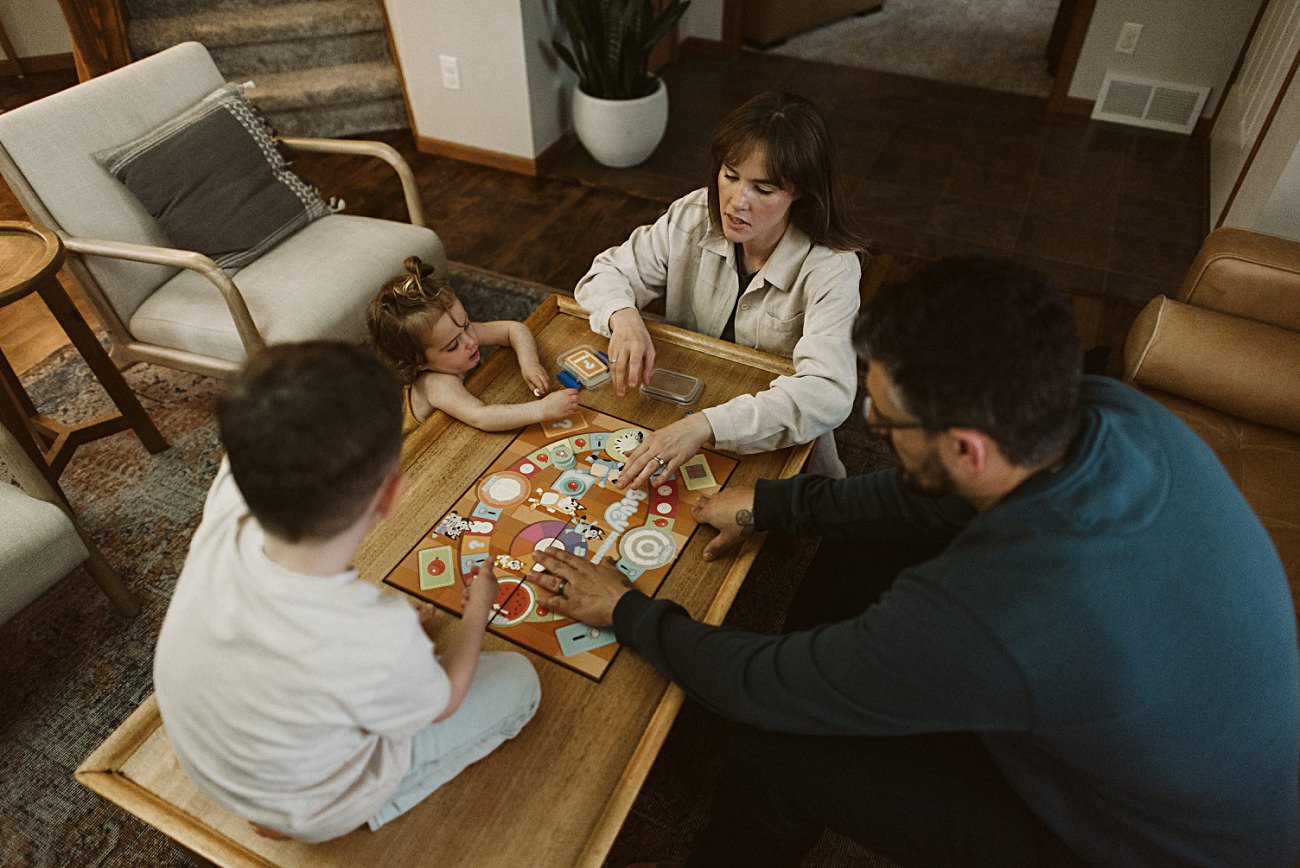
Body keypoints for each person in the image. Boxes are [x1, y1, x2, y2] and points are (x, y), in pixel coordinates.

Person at [534, 256, 1300, 866]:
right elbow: (935, 499)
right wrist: (776, 505)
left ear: (968, 447)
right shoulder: (1107, 408)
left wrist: (626, 610)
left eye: (888, 421)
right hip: (1212, 755)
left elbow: (756, 686)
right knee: (859, 564)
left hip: (1137, 846)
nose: (872, 426)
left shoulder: (998, 608)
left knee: (775, 749)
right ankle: (855, 673)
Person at [153, 341, 541, 843]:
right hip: (307, 806)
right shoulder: (376, 635)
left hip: (207, 758)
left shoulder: (230, 501)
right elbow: (445, 698)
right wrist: (476, 615)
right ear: (390, 496)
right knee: (520, 682)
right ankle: (355, 808)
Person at [574, 91, 863, 488]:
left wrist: (707, 425)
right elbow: (605, 273)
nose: (736, 202)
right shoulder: (694, 214)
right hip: (679, 406)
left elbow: (827, 392)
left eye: (762, 190)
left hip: (769, 440)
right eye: (730, 175)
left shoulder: (832, 267)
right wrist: (623, 318)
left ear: (800, 192)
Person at [367, 256, 579, 433]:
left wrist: (529, 363)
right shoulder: (437, 384)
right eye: (452, 347)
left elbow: (514, 329)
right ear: (419, 362)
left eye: (466, 324)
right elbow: (482, 417)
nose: (470, 341)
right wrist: (542, 410)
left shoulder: (457, 335)